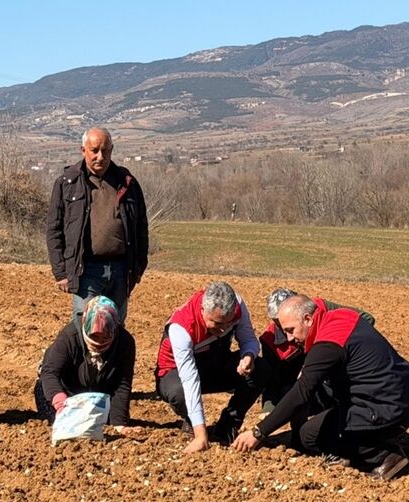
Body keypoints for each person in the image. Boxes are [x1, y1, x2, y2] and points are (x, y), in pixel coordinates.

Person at [233, 295, 409, 480]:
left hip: (389, 405)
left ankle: (384, 456)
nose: (289, 338)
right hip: (404, 391)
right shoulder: (340, 316)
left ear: (308, 319)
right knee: (316, 400)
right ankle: (360, 439)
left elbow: (302, 392)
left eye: (291, 330)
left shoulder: (327, 344)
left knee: (310, 435)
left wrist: (259, 432)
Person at [44, 127, 149, 322]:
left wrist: (138, 267)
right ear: (83, 150)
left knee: (115, 328)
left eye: (106, 150)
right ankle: (86, 354)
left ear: (112, 150)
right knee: (85, 327)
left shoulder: (127, 183)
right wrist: (61, 272)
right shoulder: (67, 184)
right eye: (94, 150)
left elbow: (141, 227)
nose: (100, 156)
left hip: (121, 269)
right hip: (86, 269)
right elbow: (53, 229)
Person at [156, 281, 266, 452]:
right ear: (202, 310)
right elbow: (189, 379)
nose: (223, 330)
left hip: (213, 364)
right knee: (180, 392)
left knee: (260, 368)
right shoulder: (181, 328)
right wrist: (201, 436)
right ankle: (195, 425)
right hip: (175, 373)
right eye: (216, 323)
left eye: (227, 324)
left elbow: (249, 339)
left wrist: (248, 356)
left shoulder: (237, 306)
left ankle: (226, 427)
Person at [35, 295, 141, 436]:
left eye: (105, 338)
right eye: (94, 337)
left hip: (98, 397)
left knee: (99, 424)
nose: (99, 343)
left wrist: (119, 424)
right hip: (64, 395)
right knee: (69, 427)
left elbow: (122, 384)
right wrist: (62, 405)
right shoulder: (69, 337)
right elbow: (49, 373)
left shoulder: (125, 343)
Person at [259, 288, 375, 412]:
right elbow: (272, 382)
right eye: (278, 320)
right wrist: (268, 409)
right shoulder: (270, 341)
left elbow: (366, 318)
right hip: (302, 386)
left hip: (333, 374)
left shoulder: (318, 309)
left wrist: (331, 342)